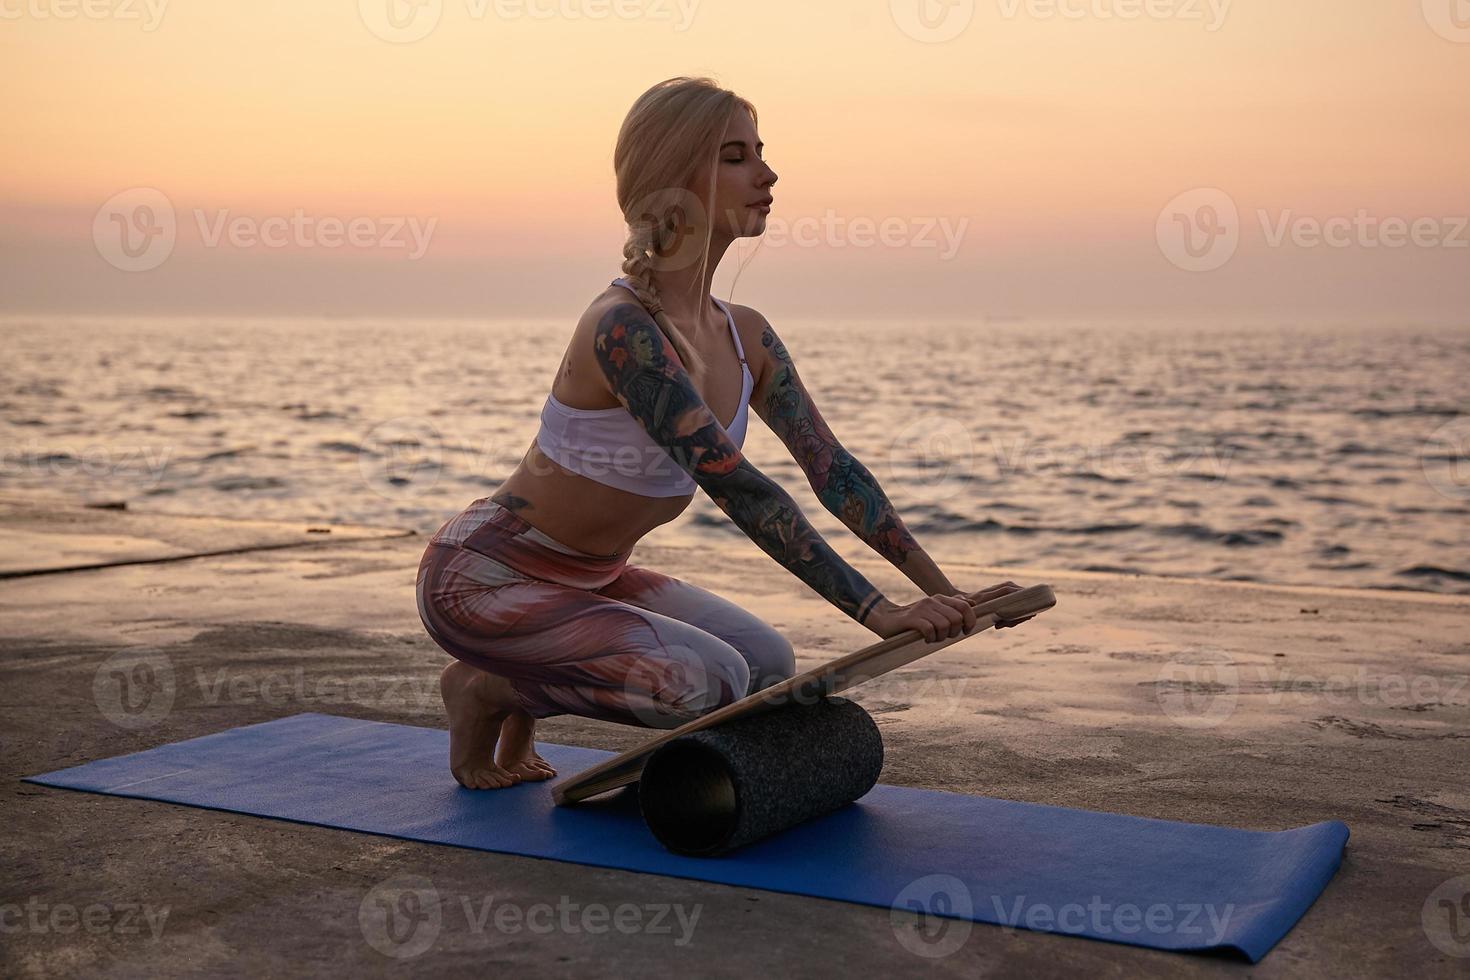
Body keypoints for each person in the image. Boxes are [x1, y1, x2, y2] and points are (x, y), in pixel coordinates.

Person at [416, 76, 1029, 790]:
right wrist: (878, 612)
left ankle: (513, 684)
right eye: (736, 156)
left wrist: (946, 595)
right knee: (708, 685)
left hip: (596, 580)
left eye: (760, 151)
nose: (767, 174)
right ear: (675, 181)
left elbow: (833, 470)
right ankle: (487, 689)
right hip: (486, 578)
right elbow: (738, 485)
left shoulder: (748, 335)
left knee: (766, 669)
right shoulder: (625, 330)